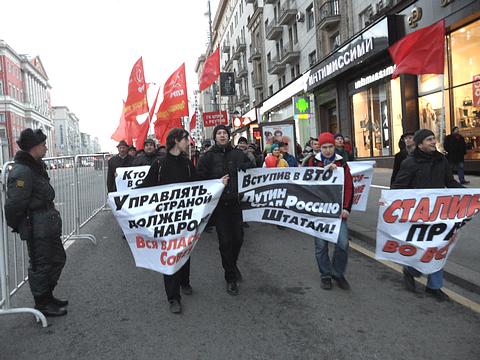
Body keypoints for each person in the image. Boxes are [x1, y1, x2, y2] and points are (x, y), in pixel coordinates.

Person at [392, 129, 463, 302]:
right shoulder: (410, 163)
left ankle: (434, 286)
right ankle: (411, 270)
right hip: (417, 214)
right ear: (420, 144)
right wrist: (389, 202)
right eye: (429, 139)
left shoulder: (442, 160)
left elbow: (450, 182)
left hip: (438, 212)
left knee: (438, 248)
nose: (433, 142)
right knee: (421, 248)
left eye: (434, 139)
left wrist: (470, 195)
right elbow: (398, 187)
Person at [4, 129, 68, 317]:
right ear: (34, 147)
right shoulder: (23, 171)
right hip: (37, 224)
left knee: (56, 259)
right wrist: (19, 224)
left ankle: (47, 296)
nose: (46, 148)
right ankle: (42, 302)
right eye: (43, 145)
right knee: (41, 264)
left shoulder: (34, 166)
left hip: (47, 222)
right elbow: (14, 203)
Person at [140, 129, 201, 314]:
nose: (188, 143)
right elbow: (145, 188)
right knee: (171, 254)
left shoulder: (187, 163)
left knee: (185, 249)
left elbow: (199, 185)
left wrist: (218, 183)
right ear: (176, 140)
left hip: (185, 217)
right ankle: (173, 297)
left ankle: (185, 282)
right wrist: (123, 196)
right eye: (185, 140)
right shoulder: (159, 163)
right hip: (165, 219)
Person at [196, 124, 252, 295]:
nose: (222, 135)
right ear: (215, 137)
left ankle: (232, 266)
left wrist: (246, 166)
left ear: (229, 136)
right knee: (225, 242)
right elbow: (200, 178)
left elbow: (251, 168)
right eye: (219, 133)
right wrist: (217, 181)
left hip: (236, 203)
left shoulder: (238, 154)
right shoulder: (207, 157)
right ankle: (230, 278)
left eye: (224, 133)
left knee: (238, 239)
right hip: (219, 206)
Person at [304, 132, 354, 291]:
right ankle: (325, 275)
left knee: (343, 244)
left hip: (337, 212)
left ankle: (338, 273)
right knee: (321, 246)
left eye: (330, 146)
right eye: (324, 147)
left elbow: (348, 187)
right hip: (319, 212)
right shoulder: (312, 162)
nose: (327, 150)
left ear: (334, 146)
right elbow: (305, 183)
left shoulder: (342, 164)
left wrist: (346, 208)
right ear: (320, 147)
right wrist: (323, 172)